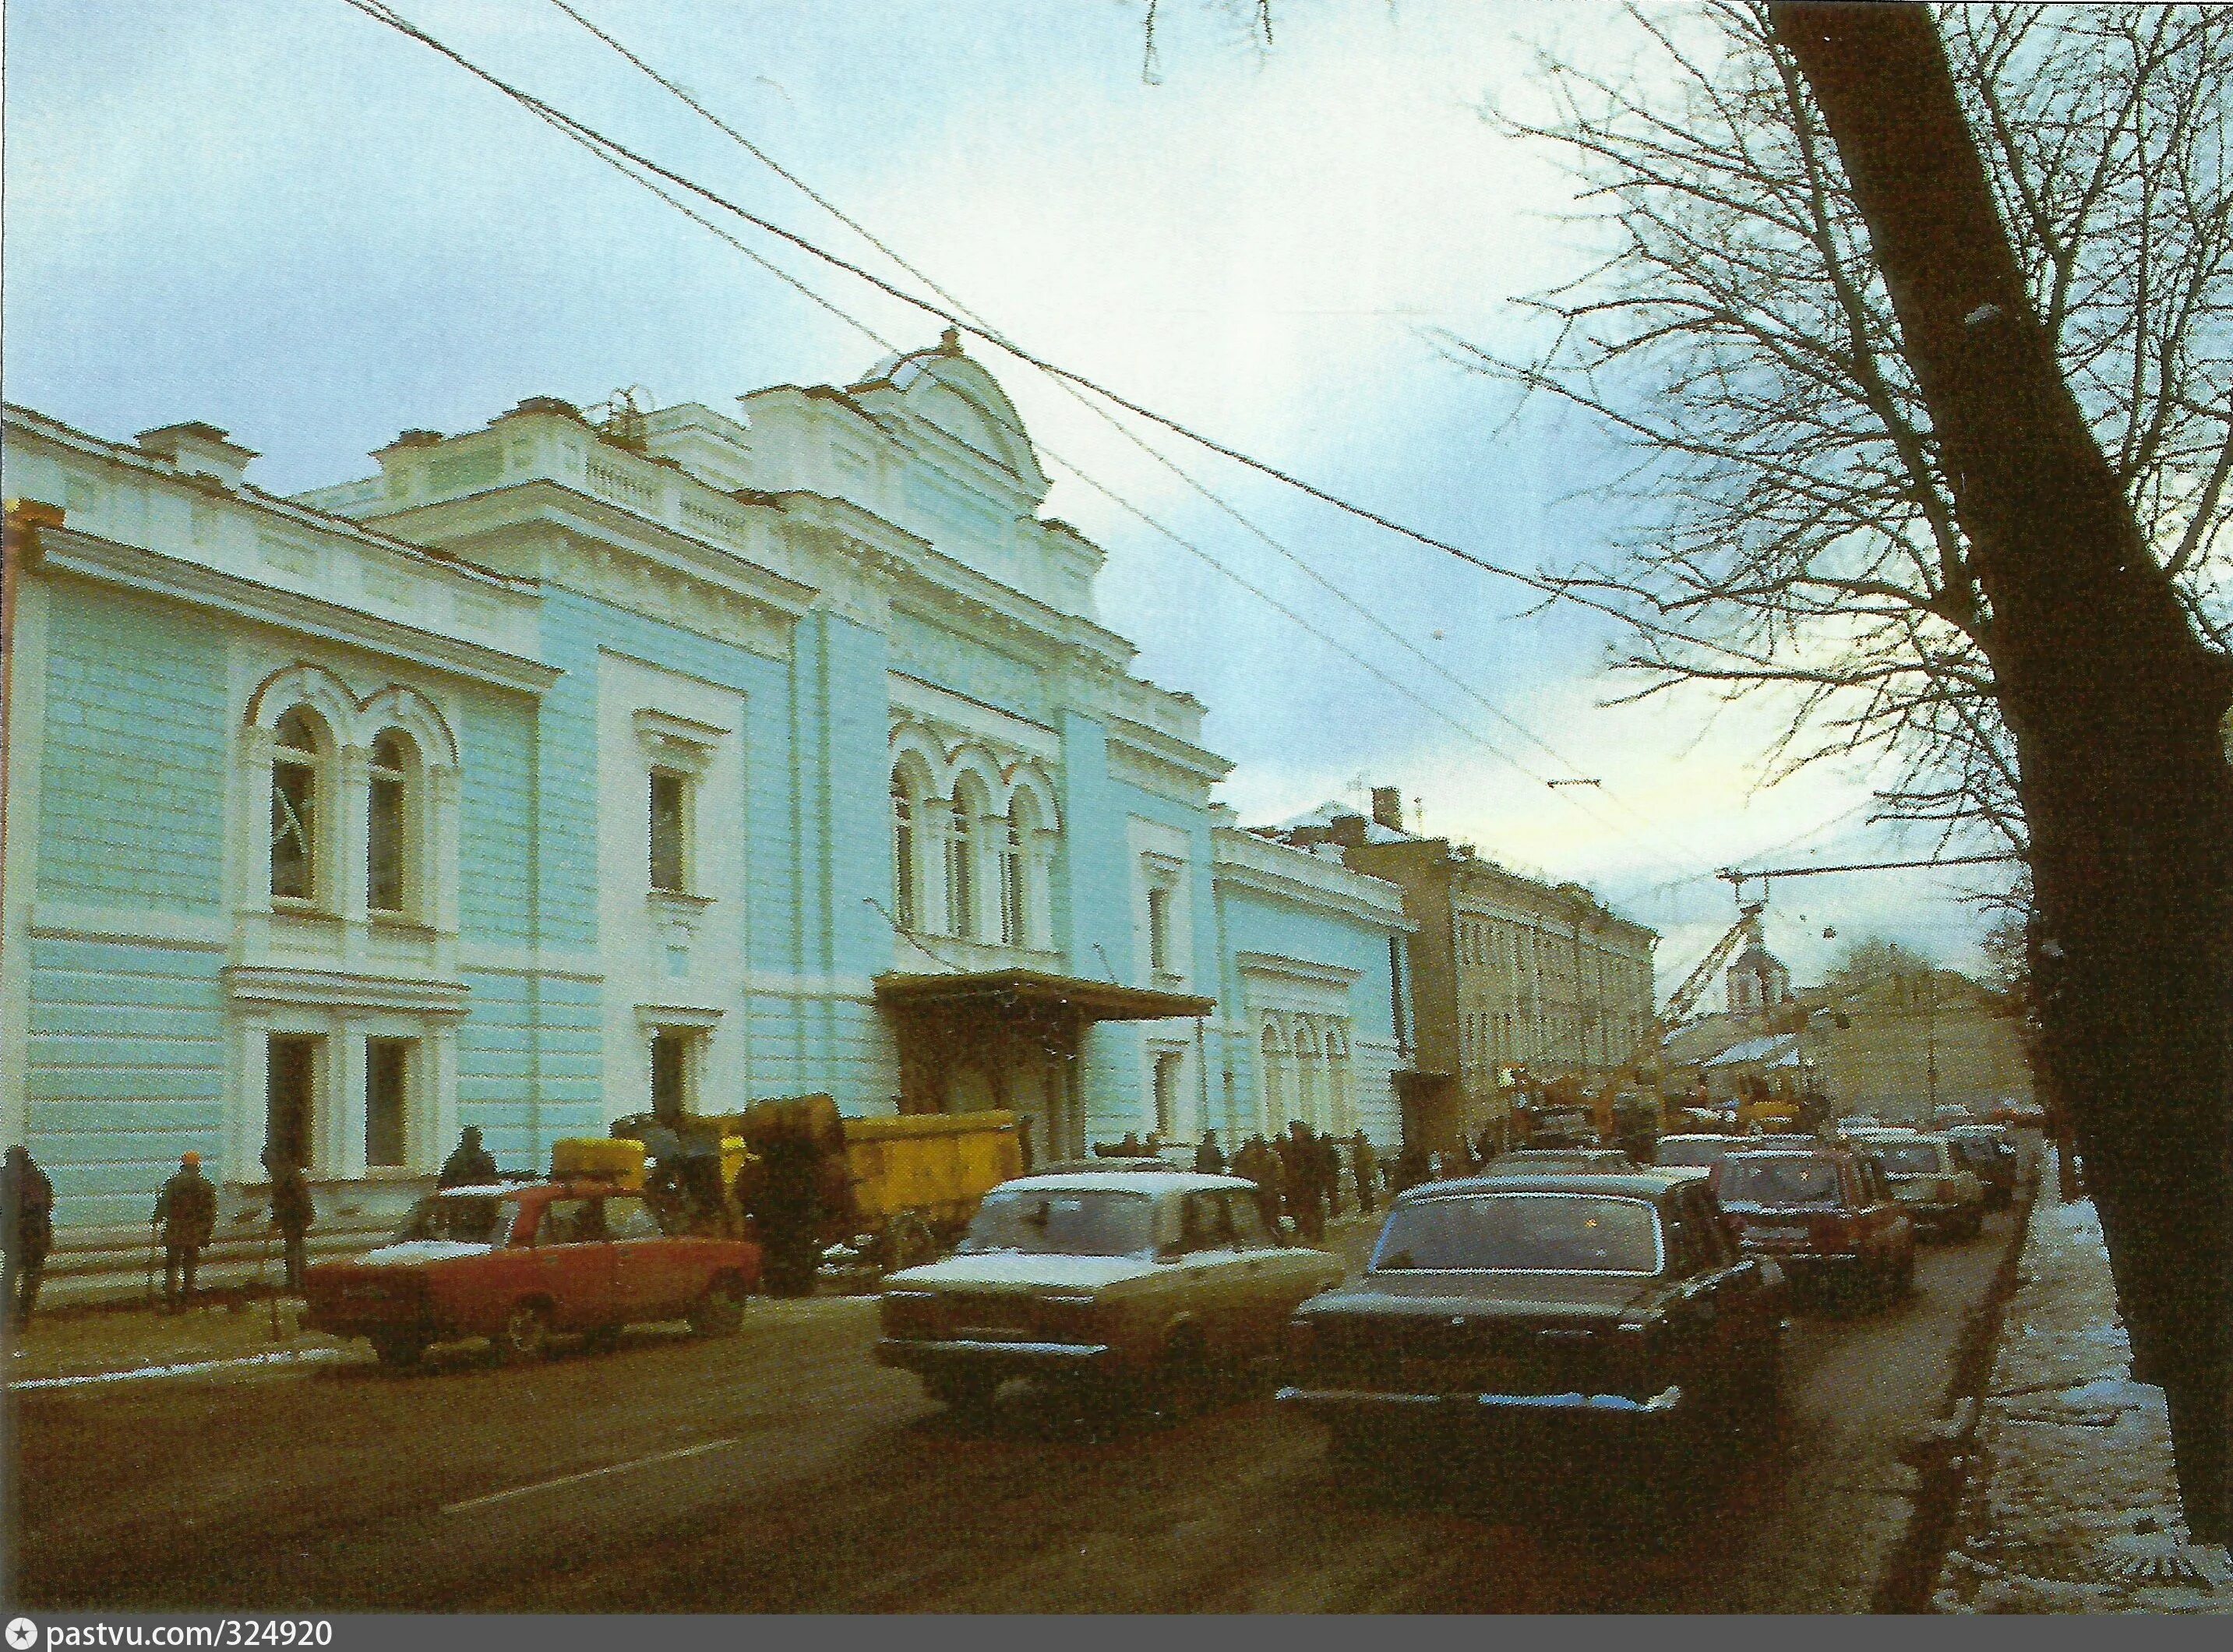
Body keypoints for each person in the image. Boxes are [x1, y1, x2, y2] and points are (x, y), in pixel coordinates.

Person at [753, 1132, 824, 1297]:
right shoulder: (806, 1164)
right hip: (796, 1211)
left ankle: (782, 1281)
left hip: (777, 1212)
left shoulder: (765, 1168)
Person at [153, 1152, 217, 1311]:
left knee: (172, 1265)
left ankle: (171, 1298)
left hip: (175, 1230)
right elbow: (210, 1213)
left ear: (182, 1164)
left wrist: (156, 1218)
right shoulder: (206, 1185)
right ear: (198, 1166)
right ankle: (188, 1298)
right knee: (190, 1266)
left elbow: (164, 1205)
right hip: (194, 1232)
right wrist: (206, 1234)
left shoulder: (173, 1183)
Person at [2, 1145, 55, 1333]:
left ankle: (9, 1314)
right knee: (31, 1279)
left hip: (18, 1236)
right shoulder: (40, 1178)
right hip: (39, 1235)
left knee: (9, 1277)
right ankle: (23, 1317)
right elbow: (49, 1205)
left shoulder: (6, 1179)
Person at [267, 1153, 314, 1294]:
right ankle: (297, 1281)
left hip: (295, 1218)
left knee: (293, 1250)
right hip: (296, 1217)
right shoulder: (291, 1174)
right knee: (295, 1248)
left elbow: (284, 1200)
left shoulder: (285, 1177)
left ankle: (296, 1283)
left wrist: (277, 1218)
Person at [438, 1125, 497, 1189]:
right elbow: (445, 1183)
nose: (475, 1141)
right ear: (465, 1139)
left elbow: (491, 1179)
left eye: (476, 1138)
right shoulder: (456, 1160)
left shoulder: (486, 1159)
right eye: (471, 1139)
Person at [1349, 1131, 1378, 1217]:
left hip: (1364, 1172)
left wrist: (1358, 1163)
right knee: (1362, 1190)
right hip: (1360, 1172)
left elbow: (1369, 1160)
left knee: (1366, 1190)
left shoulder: (1365, 1148)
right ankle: (1365, 1206)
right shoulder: (1358, 1149)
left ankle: (1368, 1207)